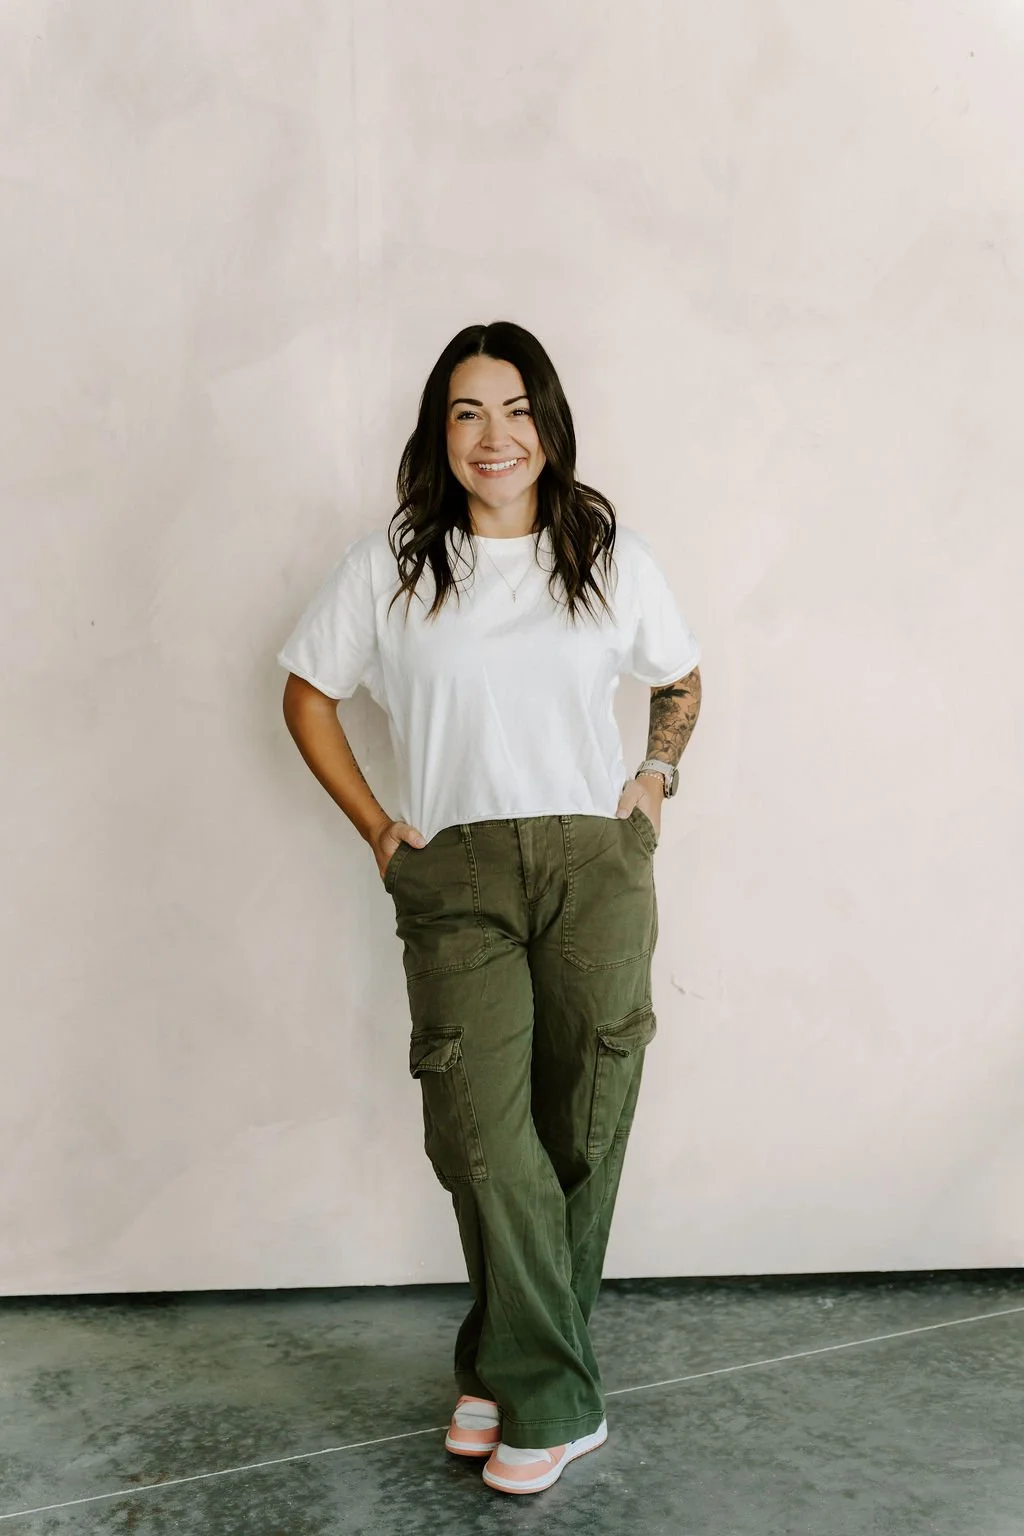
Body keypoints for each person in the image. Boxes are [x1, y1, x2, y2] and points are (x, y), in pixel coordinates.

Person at [276, 320, 702, 1497]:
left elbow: (680, 673)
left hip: (591, 862)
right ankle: (555, 1396)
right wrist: (376, 826)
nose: (493, 435)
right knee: (479, 1134)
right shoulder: (393, 565)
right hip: (453, 875)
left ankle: (501, 1370)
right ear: (439, 433)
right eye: (467, 412)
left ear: (548, 424)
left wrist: (655, 776)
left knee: (584, 1115)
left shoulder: (607, 554)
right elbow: (307, 695)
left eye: (514, 409)